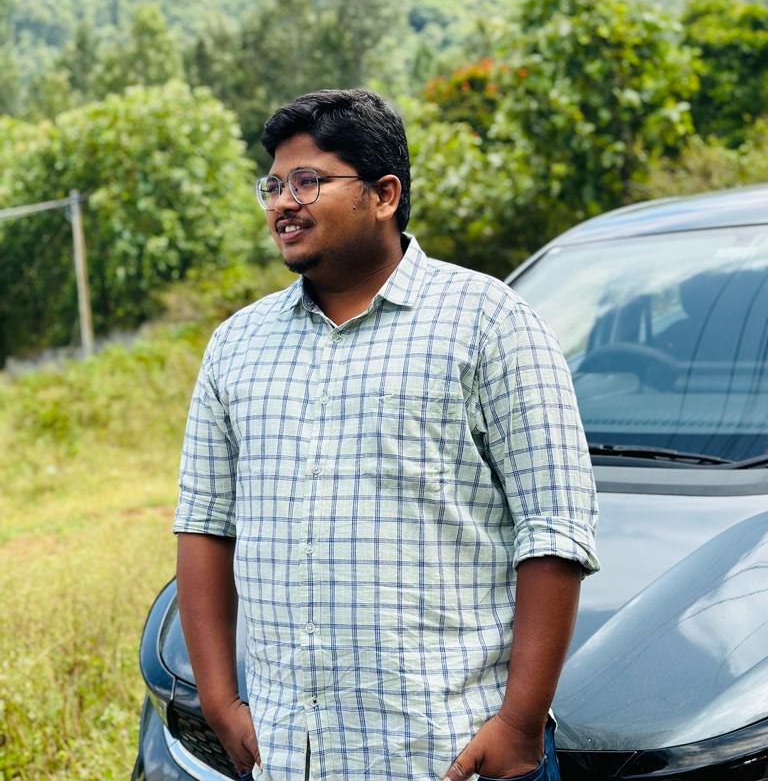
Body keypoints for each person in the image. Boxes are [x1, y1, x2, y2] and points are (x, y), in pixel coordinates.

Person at [173, 88, 599, 781]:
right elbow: (204, 525)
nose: (283, 204)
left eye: (307, 181)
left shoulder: (488, 322)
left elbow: (555, 525)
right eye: (273, 186)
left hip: (447, 751)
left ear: (384, 194)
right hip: (291, 756)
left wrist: (520, 725)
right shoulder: (236, 345)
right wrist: (220, 702)